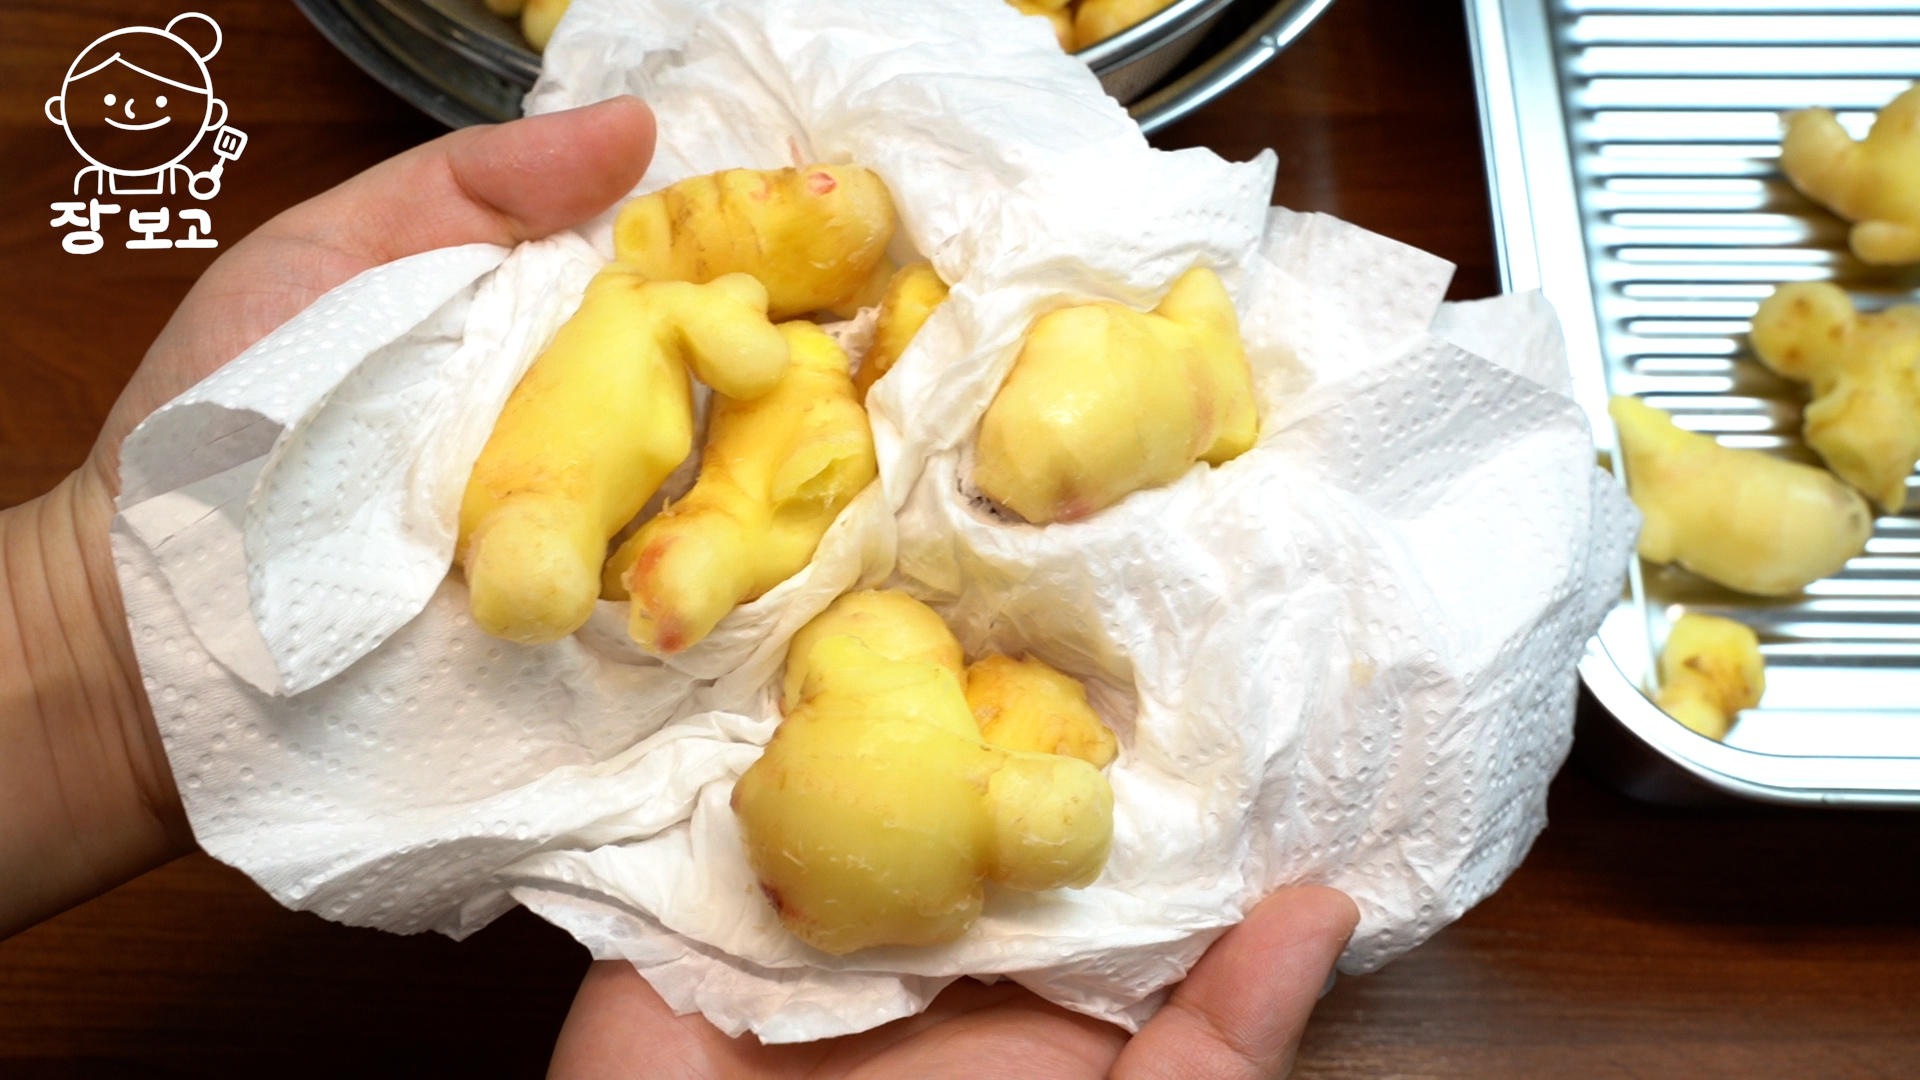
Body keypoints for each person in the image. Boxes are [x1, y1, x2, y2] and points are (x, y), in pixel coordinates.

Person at [0, 97, 1358, 1077]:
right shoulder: (661, 322)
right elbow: (750, 371)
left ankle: (1180, 380)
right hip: (734, 492)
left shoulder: (674, 328)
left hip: (775, 494)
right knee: (706, 522)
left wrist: (88, 629)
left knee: (719, 521)